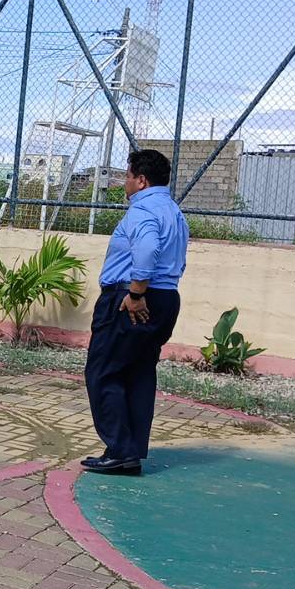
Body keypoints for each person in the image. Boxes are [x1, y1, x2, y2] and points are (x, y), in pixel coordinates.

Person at [82, 148, 188, 476]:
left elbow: (147, 249)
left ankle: (119, 450)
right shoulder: (174, 211)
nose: (124, 182)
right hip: (166, 298)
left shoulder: (143, 210)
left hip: (131, 300)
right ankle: (130, 451)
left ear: (141, 180)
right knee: (139, 373)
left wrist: (136, 293)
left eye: (127, 176)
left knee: (103, 372)